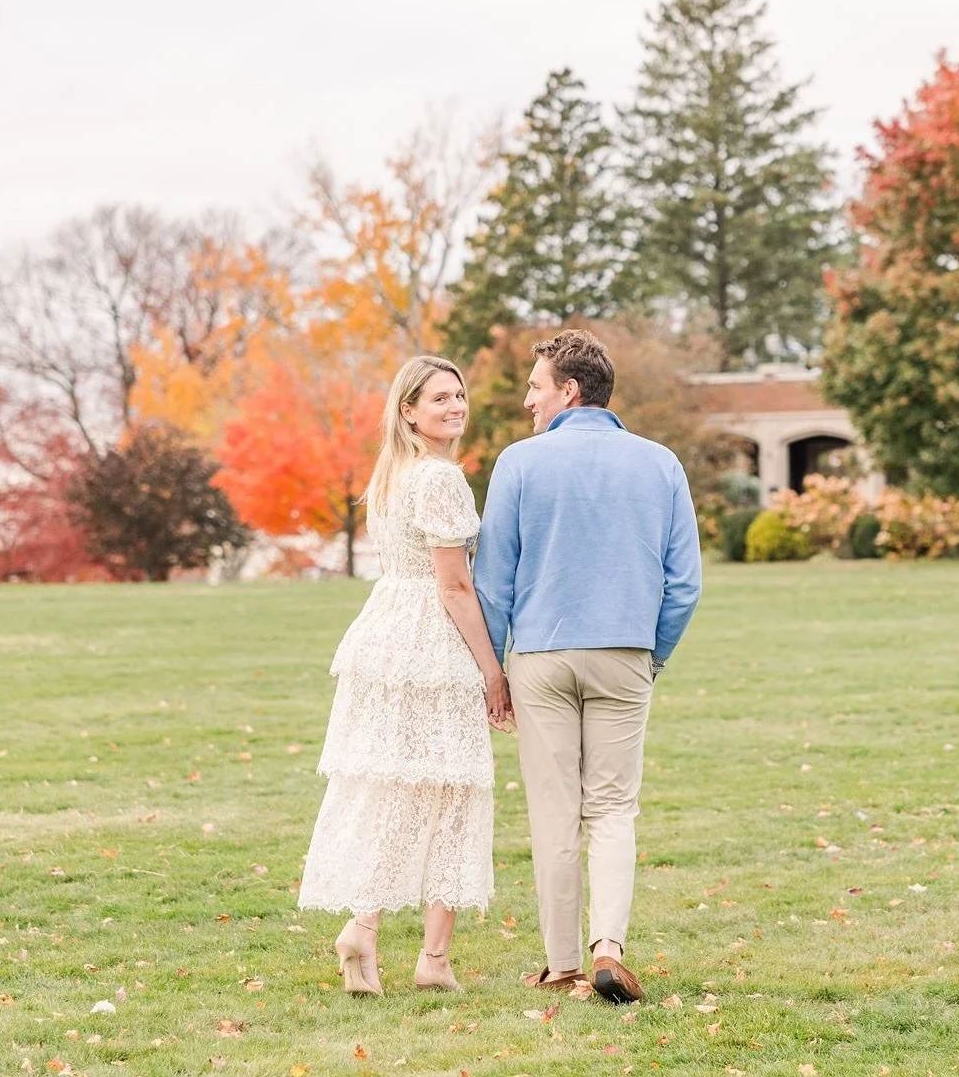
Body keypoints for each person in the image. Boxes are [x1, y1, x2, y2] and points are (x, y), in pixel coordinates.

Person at [474, 329, 701, 1003]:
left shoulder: (519, 463)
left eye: (535, 386)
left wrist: (494, 669)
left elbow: (493, 582)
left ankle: (563, 962)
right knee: (612, 807)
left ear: (569, 390)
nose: (527, 401)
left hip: (541, 654)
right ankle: (609, 945)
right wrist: (652, 649)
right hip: (625, 654)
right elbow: (683, 583)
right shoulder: (660, 464)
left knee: (555, 810)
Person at [298, 356, 513, 995]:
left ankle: (363, 928)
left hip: (386, 632)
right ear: (409, 410)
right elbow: (453, 585)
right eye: (439, 398)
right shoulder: (441, 480)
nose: (455, 406)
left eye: (459, 395)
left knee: (401, 786)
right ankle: (433, 959)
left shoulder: (393, 476)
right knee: (453, 787)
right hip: (432, 642)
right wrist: (491, 669)